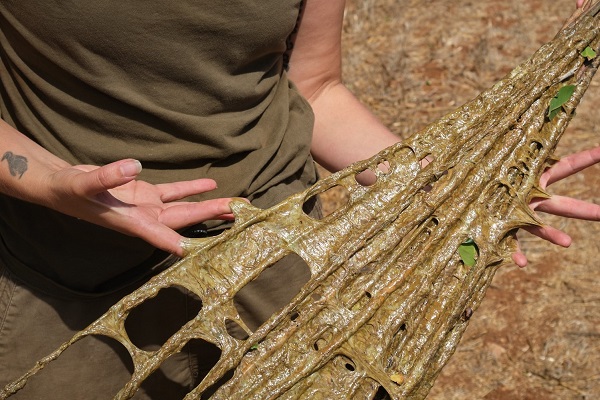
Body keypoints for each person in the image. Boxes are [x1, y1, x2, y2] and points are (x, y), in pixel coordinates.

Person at [0, 0, 598, 398]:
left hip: (271, 261)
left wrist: (459, 188)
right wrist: (53, 181)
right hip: (63, 275)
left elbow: (316, 88)